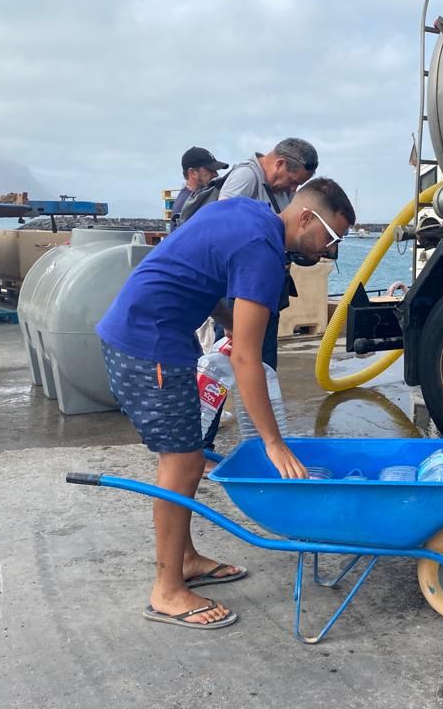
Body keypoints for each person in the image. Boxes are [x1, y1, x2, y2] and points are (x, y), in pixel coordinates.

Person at [96, 178, 355, 629]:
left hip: (144, 331)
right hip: (149, 344)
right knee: (181, 462)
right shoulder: (263, 252)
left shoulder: (247, 213)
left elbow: (200, 271)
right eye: (331, 238)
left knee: (190, 458)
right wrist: (274, 443)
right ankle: (166, 591)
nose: (330, 251)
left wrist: (226, 323)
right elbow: (247, 360)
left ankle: (186, 559)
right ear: (307, 218)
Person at [200, 138, 320, 456]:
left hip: (265, 290)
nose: (293, 188)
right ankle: (202, 446)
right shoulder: (245, 177)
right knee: (226, 368)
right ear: (280, 163)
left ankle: (260, 444)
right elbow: (222, 232)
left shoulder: (282, 191)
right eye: (294, 181)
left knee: (263, 368)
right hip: (236, 292)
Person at [170, 146, 229, 230]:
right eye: (211, 170)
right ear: (193, 173)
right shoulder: (186, 206)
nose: (216, 174)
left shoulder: (196, 199)